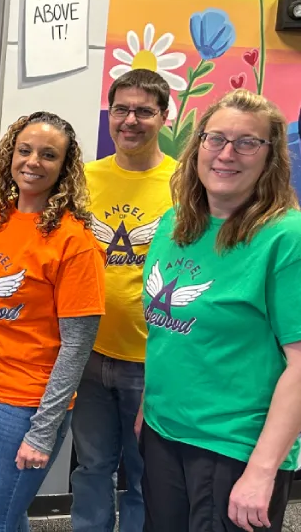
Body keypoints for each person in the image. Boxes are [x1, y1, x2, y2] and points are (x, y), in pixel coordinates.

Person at [139, 90, 301, 532]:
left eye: (247, 142)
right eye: (215, 139)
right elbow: (169, 330)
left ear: (271, 158)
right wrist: (147, 407)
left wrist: (262, 470)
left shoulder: (286, 238)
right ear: (197, 147)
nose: (227, 154)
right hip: (162, 431)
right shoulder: (174, 224)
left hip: (233, 447)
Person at [0, 111, 105, 531]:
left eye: (48, 154)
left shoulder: (74, 241)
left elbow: (77, 347)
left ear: (65, 167)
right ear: (9, 155)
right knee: (5, 515)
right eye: (24, 150)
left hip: (21, 403)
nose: (33, 162)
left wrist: (43, 429)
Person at [70, 69, 175, 532]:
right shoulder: (84, 178)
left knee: (143, 476)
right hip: (88, 355)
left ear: (164, 117)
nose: (130, 120)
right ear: (108, 114)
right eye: (121, 110)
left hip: (152, 359)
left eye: (143, 111)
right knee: (91, 469)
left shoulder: (183, 183)